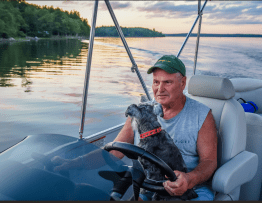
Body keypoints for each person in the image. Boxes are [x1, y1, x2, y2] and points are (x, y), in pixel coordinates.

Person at [52, 55, 217, 201]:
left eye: (167, 82)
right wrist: (72, 163)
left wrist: (189, 179)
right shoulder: (139, 113)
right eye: (156, 82)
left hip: (191, 190)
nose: (160, 89)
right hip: (149, 189)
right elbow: (113, 152)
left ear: (182, 83)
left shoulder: (201, 115)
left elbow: (209, 161)